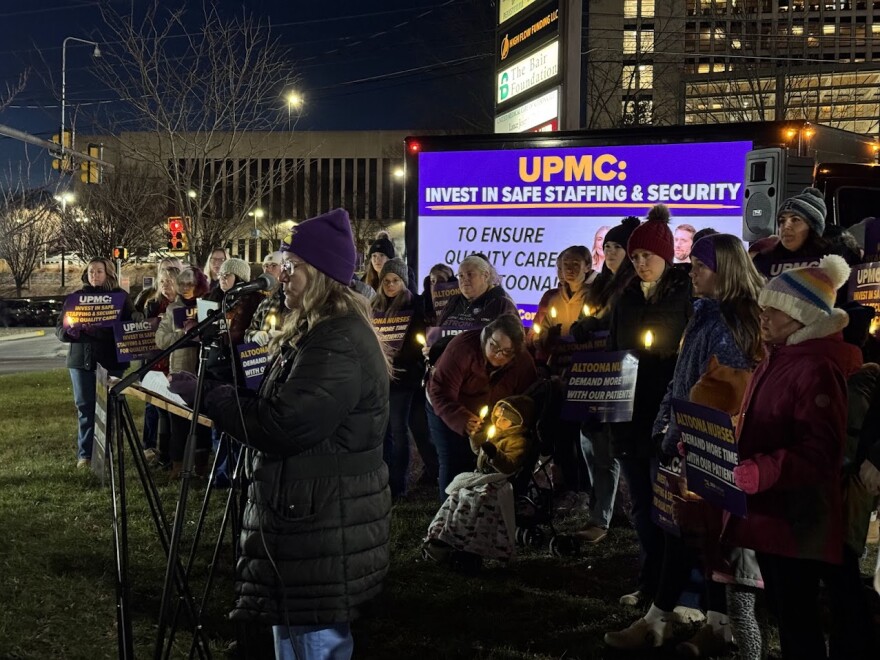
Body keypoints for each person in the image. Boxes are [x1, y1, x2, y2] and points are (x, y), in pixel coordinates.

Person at [176, 208, 391, 660]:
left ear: (321, 275)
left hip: (320, 523)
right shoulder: (315, 331)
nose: (282, 276)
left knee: (312, 644)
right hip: (307, 517)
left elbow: (283, 423)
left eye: (292, 268)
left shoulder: (338, 340)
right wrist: (218, 389)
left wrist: (209, 399)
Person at [605, 233, 765, 654]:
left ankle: (710, 625)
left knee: (707, 537)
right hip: (685, 442)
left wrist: (678, 433)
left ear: (725, 270)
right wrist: (663, 427)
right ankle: (666, 619)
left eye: (699, 266)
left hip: (714, 447)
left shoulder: (734, 321)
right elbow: (682, 378)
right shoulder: (704, 314)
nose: (690, 272)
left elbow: (720, 393)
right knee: (684, 532)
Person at [723, 255, 862, 660]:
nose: (762, 316)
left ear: (801, 316)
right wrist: (713, 442)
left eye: (774, 309)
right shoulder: (778, 357)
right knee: (786, 612)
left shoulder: (815, 366)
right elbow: (760, 424)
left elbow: (820, 452)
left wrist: (764, 471)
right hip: (774, 512)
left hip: (796, 518)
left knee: (797, 616)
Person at [606, 204, 692, 606]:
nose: (641, 264)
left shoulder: (685, 296)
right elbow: (611, 355)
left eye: (648, 257)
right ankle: (648, 581)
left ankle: (673, 590)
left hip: (665, 418)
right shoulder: (625, 299)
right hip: (628, 417)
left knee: (668, 505)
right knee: (641, 504)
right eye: (636, 256)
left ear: (666, 257)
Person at [570, 216, 640, 544]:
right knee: (588, 442)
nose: (610, 252)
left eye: (617, 247)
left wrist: (599, 326)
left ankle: (601, 518)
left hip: (617, 376)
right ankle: (608, 506)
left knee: (604, 448)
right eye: (607, 246)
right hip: (591, 372)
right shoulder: (600, 285)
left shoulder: (633, 287)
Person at [426, 315, 537, 496]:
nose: (497, 353)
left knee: (481, 461)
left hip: (489, 415)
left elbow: (525, 401)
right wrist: (461, 418)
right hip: (447, 405)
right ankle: (448, 513)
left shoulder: (523, 363)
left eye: (506, 352)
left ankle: (478, 511)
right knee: (452, 459)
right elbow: (441, 391)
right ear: (487, 336)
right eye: (494, 345)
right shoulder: (462, 349)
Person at [423, 395, 536, 569]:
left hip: (499, 481)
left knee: (478, 501)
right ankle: (442, 535)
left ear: (517, 423)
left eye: (504, 419)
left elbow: (509, 465)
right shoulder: (497, 433)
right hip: (482, 477)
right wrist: (476, 437)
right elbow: (478, 450)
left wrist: (495, 455)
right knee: (458, 494)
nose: (498, 421)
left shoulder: (518, 441)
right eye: (497, 417)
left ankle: (469, 545)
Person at [55, 257, 140, 468]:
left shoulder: (120, 298)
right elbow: (60, 330)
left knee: (109, 408)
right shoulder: (76, 298)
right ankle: (85, 455)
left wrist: (136, 317)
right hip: (81, 361)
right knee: (85, 407)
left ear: (108, 274)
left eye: (99, 271)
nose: (95, 275)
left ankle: (107, 451)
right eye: (91, 271)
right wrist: (70, 332)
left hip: (111, 361)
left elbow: (132, 325)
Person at [371, 257, 426, 498]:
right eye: (386, 281)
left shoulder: (414, 306)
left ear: (404, 282)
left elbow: (418, 341)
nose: (390, 285)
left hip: (404, 378)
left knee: (399, 430)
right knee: (383, 432)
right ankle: (384, 481)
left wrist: (398, 357)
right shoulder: (374, 306)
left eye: (395, 280)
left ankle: (398, 485)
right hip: (381, 377)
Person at [154, 266, 211, 478]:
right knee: (178, 420)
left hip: (203, 368)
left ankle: (202, 467)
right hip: (180, 369)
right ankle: (178, 466)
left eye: (191, 284)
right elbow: (160, 340)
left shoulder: (207, 306)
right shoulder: (172, 309)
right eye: (183, 284)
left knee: (203, 420)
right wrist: (182, 335)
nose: (186, 288)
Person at [142, 266, 181, 464]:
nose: (166, 286)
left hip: (176, 364)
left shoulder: (184, 305)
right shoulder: (153, 304)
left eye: (170, 281)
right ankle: (157, 451)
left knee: (174, 413)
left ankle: (173, 456)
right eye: (163, 282)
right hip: (155, 364)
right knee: (159, 410)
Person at [751, 187, 829, 278]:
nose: (786, 226)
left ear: (813, 227)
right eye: (782, 221)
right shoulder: (763, 261)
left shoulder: (833, 261)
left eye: (795, 219)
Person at [244, 251, 287, 347]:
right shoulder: (266, 302)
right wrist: (255, 335)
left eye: (274, 265)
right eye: (265, 266)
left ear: (284, 268)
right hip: (264, 359)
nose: (268, 269)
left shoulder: (293, 300)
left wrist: (285, 337)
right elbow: (247, 333)